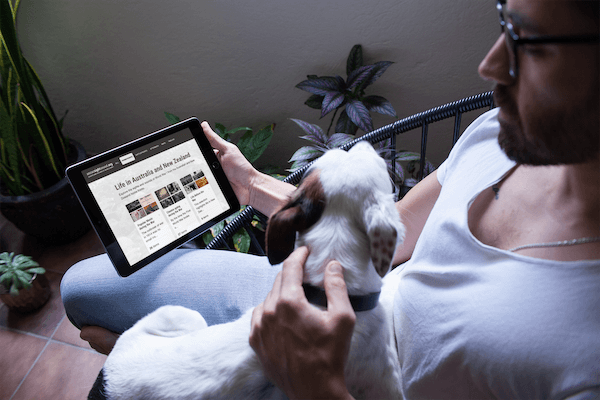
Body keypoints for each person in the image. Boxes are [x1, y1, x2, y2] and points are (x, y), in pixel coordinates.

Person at [61, 0, 600, 398]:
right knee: (82, 288)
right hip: (357, 299)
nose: (490, 65)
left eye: (531, 42)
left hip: (352, 381)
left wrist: (312, 383)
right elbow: (395, 236)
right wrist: (252, 186)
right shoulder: (499, 132)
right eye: (503, 18)